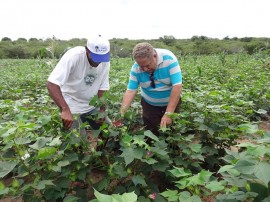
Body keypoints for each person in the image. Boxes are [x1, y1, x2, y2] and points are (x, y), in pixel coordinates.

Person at [46, 35, 111, 136]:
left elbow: (102, 88)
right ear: (87, 50)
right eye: (96, 58)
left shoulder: (104, 61)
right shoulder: (74, 56)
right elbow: (52, 84)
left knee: (110, 133)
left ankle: (101, 149)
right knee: (79, 142)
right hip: (71, 105)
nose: (98, 62)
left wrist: (102, 110)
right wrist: (65, 110)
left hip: (92, 105)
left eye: (101, 58)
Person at [120, 42, 182, 135]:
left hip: (170, 103)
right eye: (141, 66)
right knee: (151, 133)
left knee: (172, 133)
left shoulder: (169, 59)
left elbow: (177, 86)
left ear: (154, 56)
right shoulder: (135, 69)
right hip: (149, 106)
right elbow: (130, 91)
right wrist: (121, 114)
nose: (144, 69)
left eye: (147, 65)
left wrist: (168, 114)